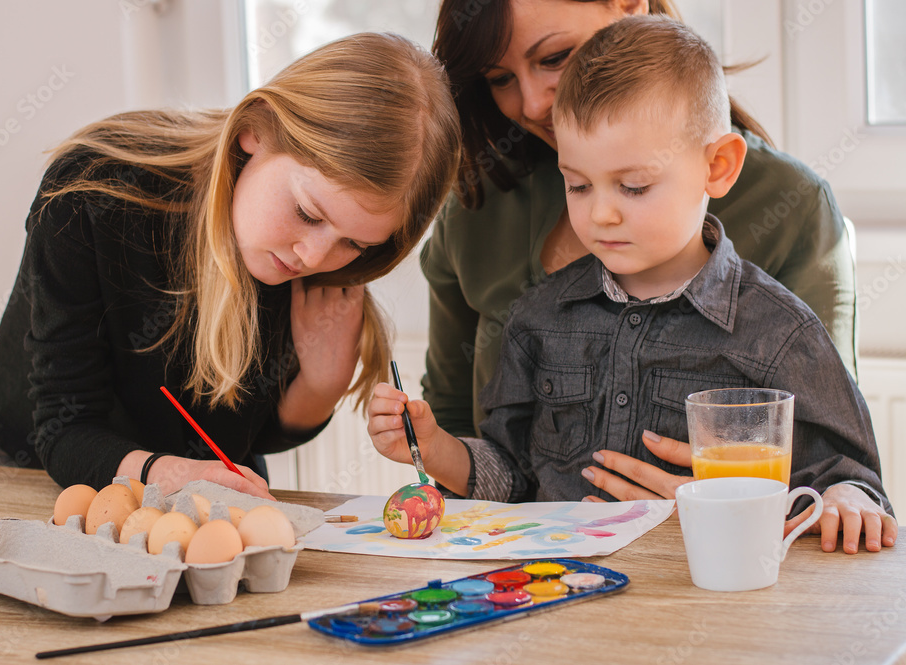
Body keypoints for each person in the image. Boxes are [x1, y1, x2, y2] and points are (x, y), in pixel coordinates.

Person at [369, 16, 897, 554]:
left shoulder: (780, 331)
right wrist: (434, 447)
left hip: (711, 597)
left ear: (718, 167)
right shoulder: (537, 318)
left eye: (634, 186)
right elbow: (513, 477)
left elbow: (849, 480)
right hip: (560, 594)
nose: (601, 214)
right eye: (577, 185)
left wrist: (846, 498)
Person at [0, 32, 462, 498]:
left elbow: (242, 435)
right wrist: (168, 474)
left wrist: (318, 388)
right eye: (308, 214)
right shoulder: (95, 192)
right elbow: (65, 430)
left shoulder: (313, 266)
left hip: (195, 475)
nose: (313, 259)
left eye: (354, 242)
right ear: (255, 131)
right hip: (45, 466)